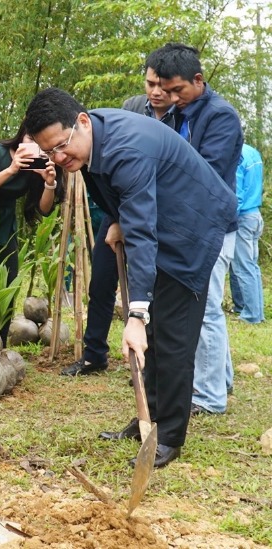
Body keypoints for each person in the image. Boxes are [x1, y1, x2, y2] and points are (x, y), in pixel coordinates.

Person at [24, 87, 235, 468]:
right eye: (49, 151)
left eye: (60, 146)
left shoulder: (126, 148)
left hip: (192, 228)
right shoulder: (89, 141)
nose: (58, 157)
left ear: (82, 122)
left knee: (171, 336)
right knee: (155, 337)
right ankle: (147, 422)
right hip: (161, 220)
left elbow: (142, 232)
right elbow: (119, 199)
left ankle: (169, 436)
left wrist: (135, 314)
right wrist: (117, 219)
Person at [61, 62, 183, 376]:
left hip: (158, 215)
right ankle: (94, 353)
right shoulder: (131, 109)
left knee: (151, 286)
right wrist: (117, 219)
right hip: (119, 212)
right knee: (101, 280)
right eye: (149, 83)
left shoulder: (183, 118)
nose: (155, 91)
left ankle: (147, 364)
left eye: (162, 86)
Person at [152, 43, 243, 416]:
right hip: (187, 227)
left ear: (199, 80)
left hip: (213, 228)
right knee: (202, 308)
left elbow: (205, 173)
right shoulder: (176, 114)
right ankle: (219, 380)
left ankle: (207, 397)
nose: (171, 98)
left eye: (177, 90)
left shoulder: (221, 117)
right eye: (164, 89)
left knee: (204, 310)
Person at [0, 121, 64, 344]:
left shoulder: (38, 166)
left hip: (4, 224)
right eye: (30, 140)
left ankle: (0, 341)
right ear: (21, 135)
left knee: (8, 282)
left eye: (39, 144)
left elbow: (44, 210)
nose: (33, 147)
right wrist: (12, 168)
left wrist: (48, 182)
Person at [229, 144, 264, 324]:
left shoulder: (237, 155)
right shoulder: (252, 151)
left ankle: (251, 315)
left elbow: (237, 193)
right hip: (255, 214)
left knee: (243, 267)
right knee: (252, 266)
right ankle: (250, 309)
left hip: (242, 217)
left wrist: (228, 219)